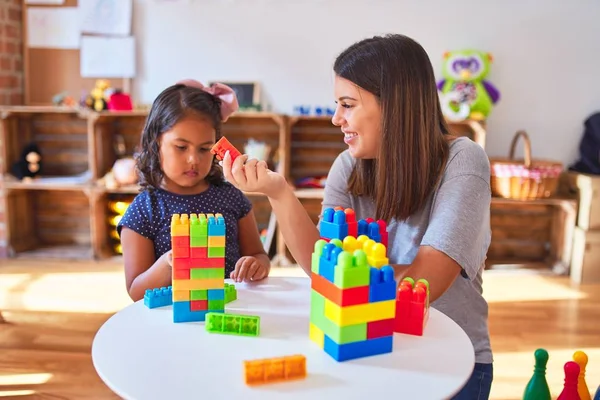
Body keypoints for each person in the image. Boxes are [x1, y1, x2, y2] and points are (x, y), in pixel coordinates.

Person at [222, 34, 493, 399]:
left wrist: (347, 276)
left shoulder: (464, 160)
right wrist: (279, 192)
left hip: (449, 363)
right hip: (366, 352)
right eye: (337, 104)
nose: (337, 118)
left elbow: (421, 286)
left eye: (348, 104)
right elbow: (324, 267)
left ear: (396, 105)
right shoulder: (349, 166)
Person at [118, 80, 271, 302]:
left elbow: (260, 256)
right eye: (181, 147)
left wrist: (256, 265)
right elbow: (136, 291)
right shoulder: (143, 211)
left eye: (204, 149)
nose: (193, 160)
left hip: (230, 311)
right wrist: (169, 262)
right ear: (155, 142)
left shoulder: (232, 198)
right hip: (174, 320)